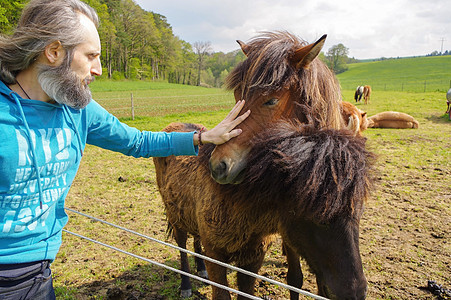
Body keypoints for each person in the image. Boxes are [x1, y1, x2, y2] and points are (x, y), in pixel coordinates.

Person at [0, 0, 250, 299]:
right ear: (54, 52)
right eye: (91, 56)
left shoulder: (78, 110)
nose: (99, 70)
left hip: (38, 273)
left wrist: (202, 138)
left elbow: (137, 142)